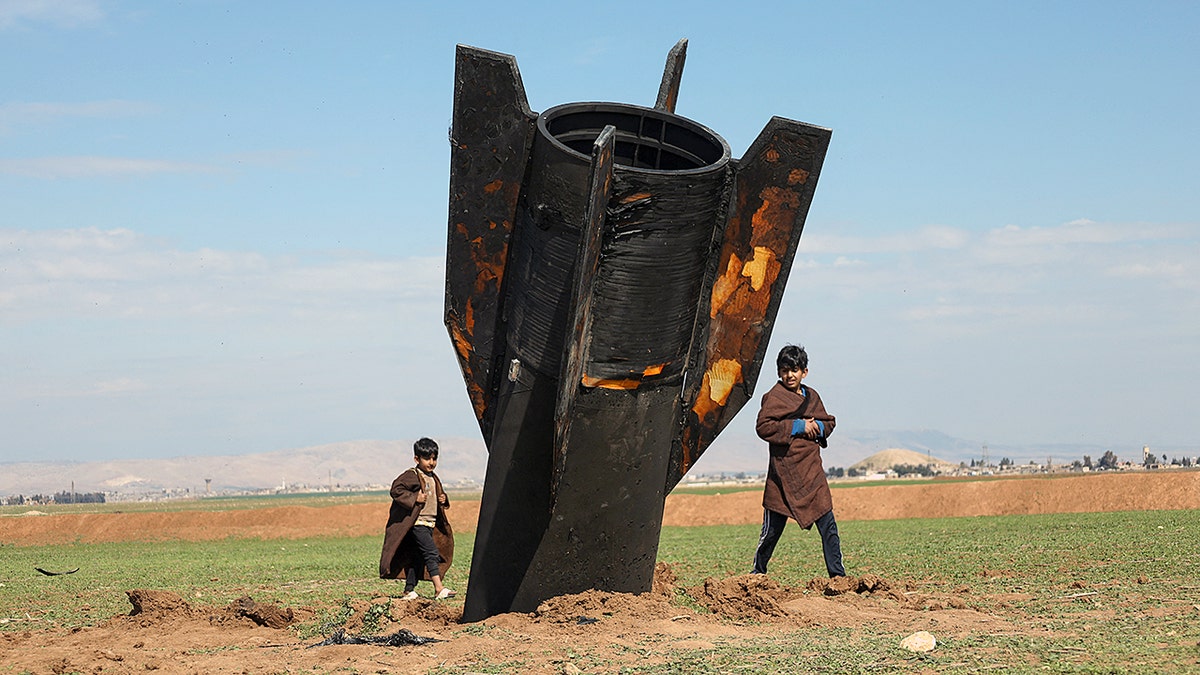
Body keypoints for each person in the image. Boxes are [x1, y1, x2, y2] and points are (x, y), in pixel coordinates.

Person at [751, 344, 845, 578]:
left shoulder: (812, 396)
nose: (789, 375)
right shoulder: (773, 397)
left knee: (829, 528)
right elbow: (763, 427)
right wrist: (799, 425)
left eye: (794, 370)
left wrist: (818, 427)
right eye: (784, 370)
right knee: (771, 532)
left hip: (811, 473)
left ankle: (838, 577)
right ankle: (757, 573)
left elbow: (830, 423)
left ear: (804, 371)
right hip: (783, 476)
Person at [378, 437, 456, 599]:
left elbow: (437, 495)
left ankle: (409, 590)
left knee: (418, 557)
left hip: (430, 523)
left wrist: (444, 499)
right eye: (427, 458)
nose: (431, 462)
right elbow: (396, 489)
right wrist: (414, 498)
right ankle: (438, 588)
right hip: (417, 523)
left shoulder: (433, 477)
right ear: (416, 459)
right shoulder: (412, 475)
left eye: (434, 458)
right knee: (431, 552)